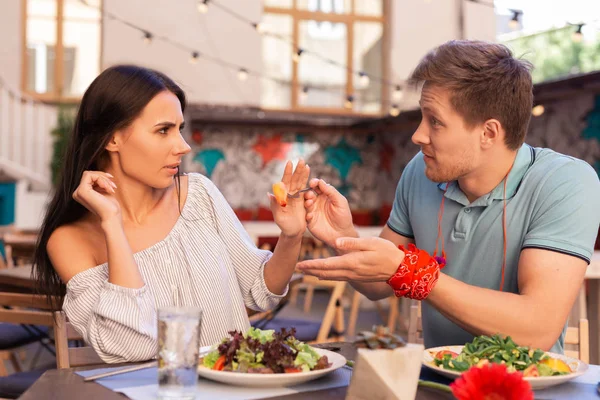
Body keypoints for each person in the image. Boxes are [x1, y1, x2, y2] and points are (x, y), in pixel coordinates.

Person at [297, 40, 600, 353]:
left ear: (489, 133)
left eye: (435, 121)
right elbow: (377, 284)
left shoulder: (566, 183)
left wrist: (415, 273)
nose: (418, 135)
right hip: (438, 381)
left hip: (525, 386)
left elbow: (536, 329)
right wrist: (343, 237)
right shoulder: (420, 172)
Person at [33, 65, 310, 363]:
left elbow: (260, 291)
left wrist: (291, 235)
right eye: (163, 130)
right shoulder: (70, 240)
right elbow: (131, 346)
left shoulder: (199, 195)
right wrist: (112, 223)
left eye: (179, 129)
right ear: (113, 139)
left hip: (235, 391)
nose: (184, 146)